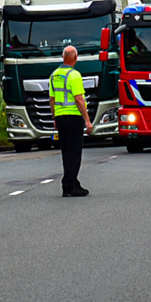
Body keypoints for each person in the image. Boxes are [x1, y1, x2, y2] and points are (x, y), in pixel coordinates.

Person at [49, 46, 94, 197]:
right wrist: (87, 121)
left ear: (63, 57)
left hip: (61, 117)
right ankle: (69, 185)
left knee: (66, 151)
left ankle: (73, 182)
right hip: (73, 117)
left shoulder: (54, 75)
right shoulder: (74, 75)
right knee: (74, 153)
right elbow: (79, 99)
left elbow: (52, 99)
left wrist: (55, 117)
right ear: (75, 58)